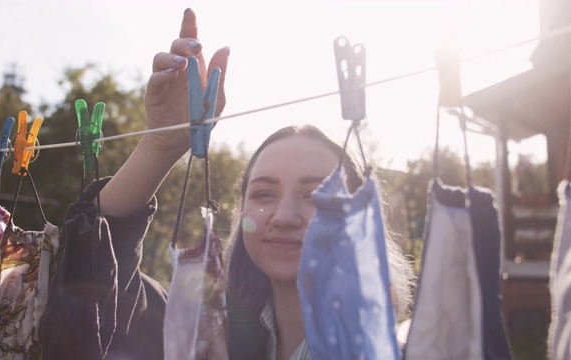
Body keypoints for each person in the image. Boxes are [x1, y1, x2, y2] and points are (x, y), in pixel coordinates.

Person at [88, 7, 414, 359]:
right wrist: (159, 146)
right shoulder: (197, 337)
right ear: (241, 211)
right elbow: (93, 274)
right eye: (264, 194)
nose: (285, 216)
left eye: (318, 195)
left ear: (358, 219)